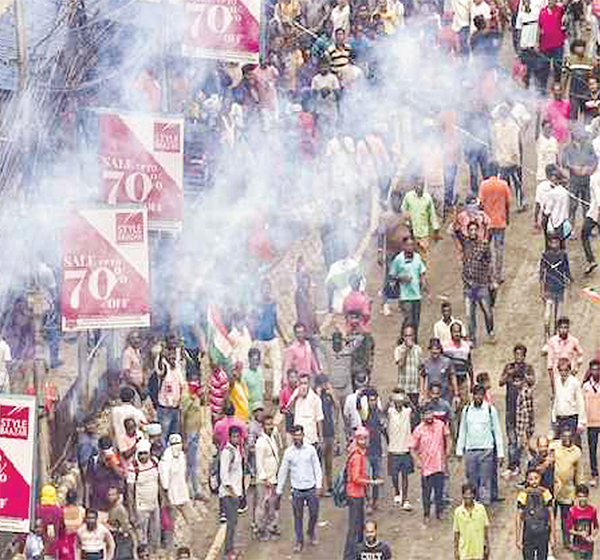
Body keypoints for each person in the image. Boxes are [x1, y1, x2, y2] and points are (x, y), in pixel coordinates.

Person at [276, 424, 322, 553]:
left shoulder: (311, 450)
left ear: (303, 435)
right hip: (297, 490)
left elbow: (317, 468)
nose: (297, 437)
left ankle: (311, 532)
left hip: (311, 488)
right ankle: (299, 541)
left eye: (299, 435)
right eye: (295, 435)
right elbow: (283, 472)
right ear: (292, 436)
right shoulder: (288, 453)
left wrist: (319, 485)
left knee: (314, 513)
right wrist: (279, 491)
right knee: (298, 517)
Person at [456, 384, 504, 505]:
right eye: (476, 394)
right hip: (471, 449)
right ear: (473, 395)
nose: (478, 397)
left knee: (485, 479)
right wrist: (459, 450)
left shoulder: (490, 410)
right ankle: (474, 501)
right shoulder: (467, 410)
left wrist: (500, 453)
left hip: (486, 449)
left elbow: (497, 432)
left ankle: (484, 504)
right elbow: (463, 430)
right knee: (472, 478)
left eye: (480, 395)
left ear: (483, 396)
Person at [343, 426, 383, 560]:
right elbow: (355, 478)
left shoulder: (355, 452)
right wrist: (372, 482)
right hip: (355, 495)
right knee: (354, 529)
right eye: (361, 439)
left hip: (355, 494)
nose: (364, 441)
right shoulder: (357, 456)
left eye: (365, 438)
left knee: (357, 527)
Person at [410, 403, 451, 525]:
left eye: (430, 412)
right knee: (426, 493)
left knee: (439, 491)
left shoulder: (440, 425)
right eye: (426, 413)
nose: (429, 415)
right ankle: (426, 514)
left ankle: (439, 512)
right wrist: (417, 460)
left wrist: (448, 450)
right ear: (422, 416)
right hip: (426, 467)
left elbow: (448, 437)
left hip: (439, 464)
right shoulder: (418, 429)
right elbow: (412, 448)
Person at [499, 345, 536, 478]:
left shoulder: (528, 368)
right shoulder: (509, 367)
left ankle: (527, 464)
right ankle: (512, 466)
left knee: (525, 439)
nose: (518, 357)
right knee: (512, 440)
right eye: (516, 354)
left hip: (524, 410)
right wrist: (509, 373)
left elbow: (533, 381)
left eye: (521, 354)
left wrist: (524, 376)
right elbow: (500, 382)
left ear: (524, 356)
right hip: (511, 409)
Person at [460, 221, 495, 346]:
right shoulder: (465, 243)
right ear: (468, 231)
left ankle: (490, 332)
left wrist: (491, 281)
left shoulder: (484, 246)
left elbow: (489, 264)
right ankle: (472, 338)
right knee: (469, 314)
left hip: (481, 285)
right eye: (471, 230)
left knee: (487, 311)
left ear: (478, 231)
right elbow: (454, 230)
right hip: (468, 286)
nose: (473, 232)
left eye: (475, 230)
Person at [478, 163, 511, 284]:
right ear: (498, 171)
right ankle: (499, 275)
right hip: (500, 222)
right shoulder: (503, 184)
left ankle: (489, 273)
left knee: (487, 248)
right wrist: (507, 218)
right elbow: (508, 203)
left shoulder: (483, 185)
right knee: (499, 249)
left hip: (487, 223)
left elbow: (480, 204)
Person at [388, 238, 427, 336]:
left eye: (412, 245)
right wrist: (401, 278)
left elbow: (422, 271)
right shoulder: (398, 259)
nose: (410, 248)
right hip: (405, 297)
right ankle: (404, 339)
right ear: (403, 246)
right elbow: (392, 275)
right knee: (409, 319)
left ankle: (414, 341)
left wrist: (423, 283)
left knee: (416, 321)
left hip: (417, 295)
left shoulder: (417, 257)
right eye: (408, 245)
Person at [550, 428, 582, 547]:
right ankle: (550, 541)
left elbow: (579, 472)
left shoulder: (577, 452)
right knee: (550, 517)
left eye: (569, 437)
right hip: (553, 489)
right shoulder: (553, 447)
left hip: (568, 490)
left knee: (566, 518)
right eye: (564, 436)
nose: (567, 439)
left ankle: (567, 542)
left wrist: (579, 490)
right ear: (561, 437)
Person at [253, 279, 284, 399]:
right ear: (261, 290)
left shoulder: (273, 303)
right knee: (259, 366)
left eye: (268, 288)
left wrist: (283, 336)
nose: (266, 291)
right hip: (260, 339)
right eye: (264, 288)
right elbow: (252, 320)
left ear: (270, 289)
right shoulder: (256, 304)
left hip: (272, 339)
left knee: (277, 365)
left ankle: (276, 393)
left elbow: (275, 321)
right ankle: (261, 392)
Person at [562, 127, 598, 231]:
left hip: (586, 181)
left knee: (587, 206)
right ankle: (570, 229)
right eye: (579, 132)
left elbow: (595, 160)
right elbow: (564, 162)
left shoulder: (588, 146)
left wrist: (590, 169)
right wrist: (574, 168)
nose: (581, 135)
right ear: (573, 135)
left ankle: (589, 229)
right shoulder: (567, 148)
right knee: (572, 206)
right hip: (574, 182)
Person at [126, 440, 160, 551]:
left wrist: (162, 500)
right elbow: (130, 492)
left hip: (154, 504)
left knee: (155, 532)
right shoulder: (133, 467)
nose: (143, 456)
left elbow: (158, 482)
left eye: (145, 453)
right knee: (142, 536)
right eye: (141, 453)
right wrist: (131, 513)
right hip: (141, 507)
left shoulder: (154, 462)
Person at [515, 469, 555, 560]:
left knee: (542, 557)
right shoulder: (523, 494)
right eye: (531, 479)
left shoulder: (546, 493)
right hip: (528, 533)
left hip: (543, 532)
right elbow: (518, 517)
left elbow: (551, 515)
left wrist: (553, 535)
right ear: (527, 480)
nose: (534, 481)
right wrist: (518, 538)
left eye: (536, 478)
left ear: (540, 479)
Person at [400, 176, 440, 264]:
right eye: (418, 185)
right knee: (411, 257)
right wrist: (406, 222)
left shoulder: (427, 198)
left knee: (423, 258)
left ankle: (422, 276)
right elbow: (403, 210)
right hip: (411, 233)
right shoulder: (408, 197)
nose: (420, 187)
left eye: (422, 185)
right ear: (414, 186)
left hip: (424, 235)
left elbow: (432, 215)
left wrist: (436, 229)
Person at [358, 389, 385, 513]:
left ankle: (374, 502)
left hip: (377, 449)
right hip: (367, 452)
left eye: (374, 400)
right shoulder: (365, 414)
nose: (372, 402)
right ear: (367, 402)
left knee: (376, 476)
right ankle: (369, 502)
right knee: (368, 478)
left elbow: (383, 429)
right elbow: (358, 407)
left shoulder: (379, 413)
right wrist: (360, 396)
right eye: (370, 400)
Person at [386, 389, 414, 510]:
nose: (399, 403)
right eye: (397, 401)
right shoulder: (390, 411)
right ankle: (397, 491)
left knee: (405, 476)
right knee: (394, 475)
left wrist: (408, 399)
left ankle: (405, 498)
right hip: (393, 449)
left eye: (400, 401)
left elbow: (416, 411)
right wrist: (390, 399)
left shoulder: (407, 412)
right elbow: (382, 412)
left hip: (405, 449)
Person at [539, 234, 571, 339]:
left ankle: (555, 338)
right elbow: (541, 274)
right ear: (549, 243)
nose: (554, 244)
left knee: (558, 317)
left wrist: (568, 287)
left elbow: (567, 271)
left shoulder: (563, 255)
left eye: (556, 242)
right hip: (549, 289)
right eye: (552, 242)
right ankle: (547, 339)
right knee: (547, 317)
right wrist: (541, 290)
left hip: (560, 289)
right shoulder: (545, 255)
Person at [255, 414, 281, 541]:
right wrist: (265, 479)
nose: (270, 427)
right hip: (265, 481)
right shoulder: (261, 442)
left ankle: (271, 527)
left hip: (273, 478)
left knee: (272, 505)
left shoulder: (271, 438)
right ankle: (261, 529)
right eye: (268, 425)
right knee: (262, 506)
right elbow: (259, 463)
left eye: (272, 424)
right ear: (263, 426)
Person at [158, 434, 194, 526]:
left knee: (190, 518)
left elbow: (184, 473)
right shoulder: (166, 458)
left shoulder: (181, 455)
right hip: (171, 495)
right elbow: (164, 481)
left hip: (182, 491)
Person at [220, 426, 244, 560]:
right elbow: (224, 475)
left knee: (233, 523)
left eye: (238, 436)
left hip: (235, 492)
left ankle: (231, 549)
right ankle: (227, 552)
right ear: (229, 437)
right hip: (229, 494)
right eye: (234, 436)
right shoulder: (227, 452)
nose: (236, 439)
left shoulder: (236, 450)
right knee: (231, 523)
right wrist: (233, 492)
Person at [154, 347, 186, 447]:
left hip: (176, 408)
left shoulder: (178, 369)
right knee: (163, 436)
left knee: (175, 436)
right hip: (165, 409)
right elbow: (160, 370)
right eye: (170, 357)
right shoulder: (164, 367)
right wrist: (160, 356)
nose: (172, 359)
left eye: (173, 357)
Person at [181, 374, 205, 501]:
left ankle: (190, 489)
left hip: (196, 431)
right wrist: (184, 438)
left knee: (193, 462)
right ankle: (193, 490)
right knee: (191, 463)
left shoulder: (195, 397)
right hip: (189, 433)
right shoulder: (187, 398)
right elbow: (182, 417)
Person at [544, 316, 584, 393]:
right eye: (561, 327)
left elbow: (580, 354)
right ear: (558, 328)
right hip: (557, 376)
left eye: (565, 327)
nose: (563, 330)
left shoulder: (573, 341)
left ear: (568, 328)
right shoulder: (552, 341)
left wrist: (575, 370)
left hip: (569, 375)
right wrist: (552, 384)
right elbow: (550, 364)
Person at [85, 436, 123, 512]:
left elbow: (121, 475)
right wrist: (87, 502)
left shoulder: (116, 458)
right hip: (98, 501)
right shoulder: (94, 460)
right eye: (103, 449)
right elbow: (88, 482)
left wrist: (112, 464)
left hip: (113, 500)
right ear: (99, 449)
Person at [453, 483, 490, 560]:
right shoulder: (458, 512)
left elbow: (485, 528)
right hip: (464, 552)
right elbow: (457, 532)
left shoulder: (481, 509)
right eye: (466, 494)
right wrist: (456, 550)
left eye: (470, 494)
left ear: (474, 495)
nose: (468, 496)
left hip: (478, 551)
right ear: (462, 495)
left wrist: (487, 545)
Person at [552, 357, 587, 438]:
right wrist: (554, 417)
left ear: (569, 370)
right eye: (561, 370)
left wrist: (581, 422)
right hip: (560, 417)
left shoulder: (574, 382)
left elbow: (580, 402)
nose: (563, 373)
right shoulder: (557, 381)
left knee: (572, 443)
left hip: (571, 418)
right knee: (560, 444)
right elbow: (556, 399)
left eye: (566, 370)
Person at [287, 374, 324, 447]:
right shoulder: (296, 393)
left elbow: (319, 420)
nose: (303, 386)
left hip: (310, 439)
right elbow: (289, 410)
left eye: (305, 383)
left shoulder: (315, 399)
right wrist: (295, 397)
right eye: (301, 383)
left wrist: (321, 438)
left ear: (309, 384)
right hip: (297, 438)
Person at [420, 337, 457, 407]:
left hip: (445, 395)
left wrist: (456, 394)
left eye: (437, 349)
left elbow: (453, 377)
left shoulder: (447, 362)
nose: (435, 351)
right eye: (432, 349)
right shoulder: (425, 363)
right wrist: (422, 394)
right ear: (429, 350)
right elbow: (422, 377)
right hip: (431, 396)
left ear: (440, 349)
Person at [315, 374, 336, 494]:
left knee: (329, 462)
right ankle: (320, 487)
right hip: (319, 433)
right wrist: (318, 393)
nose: (324, 386)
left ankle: (330, 485)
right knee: (319, 462)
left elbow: (337, 406)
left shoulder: (328, 395)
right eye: (322, 384)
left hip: (330, 431)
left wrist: (332, 393)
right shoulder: (314, 397)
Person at [568, 483, 599, 559]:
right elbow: (569, 530)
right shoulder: (572, 511)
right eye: (580, 497)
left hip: (589, 545)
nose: (582, 499)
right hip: (577, 545)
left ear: (588, 497)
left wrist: (593, 536)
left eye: (584, 496)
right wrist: (579, 533)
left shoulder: (592, 510)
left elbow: (596, 527)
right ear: (576, 497)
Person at [395, 325, 422, 410]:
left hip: (415, 389)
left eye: (410, 335)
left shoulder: (418, 349)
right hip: (403, 389)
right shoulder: (398, 349)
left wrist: (422, 391)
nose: (408, 338)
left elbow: (420, 370)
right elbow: (400, 364)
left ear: (414, 336)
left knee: (415, 415)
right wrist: (406, 349)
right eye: (406, 336)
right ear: (403, 337)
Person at [35, 484, 64, 560]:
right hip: (52, 549)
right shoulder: (58, 510)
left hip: (37, 548)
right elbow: (62, 529)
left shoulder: (37, 509)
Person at [583, 360, 600, 486]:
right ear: (590, 371)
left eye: (598, 369)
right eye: (593, 369)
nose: (596, 372)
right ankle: (594, 474)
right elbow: (582, 404)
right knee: (592, 450)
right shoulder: (585, 386)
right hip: (591, 423)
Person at [582, 161, 600, 275]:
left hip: (595, 213)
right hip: (595, 212)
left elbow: (598, 198)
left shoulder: (593, 179)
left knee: (584, 235)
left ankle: (591, 260)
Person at [121, 331, 144, 398]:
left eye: (137, 338)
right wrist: (138, 387)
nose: (136, 340)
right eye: (133, 338)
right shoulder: (127, 353)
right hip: (131, 388)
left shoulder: (137, 351)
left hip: (139, 387)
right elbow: (126, 374)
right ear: (129, 340)